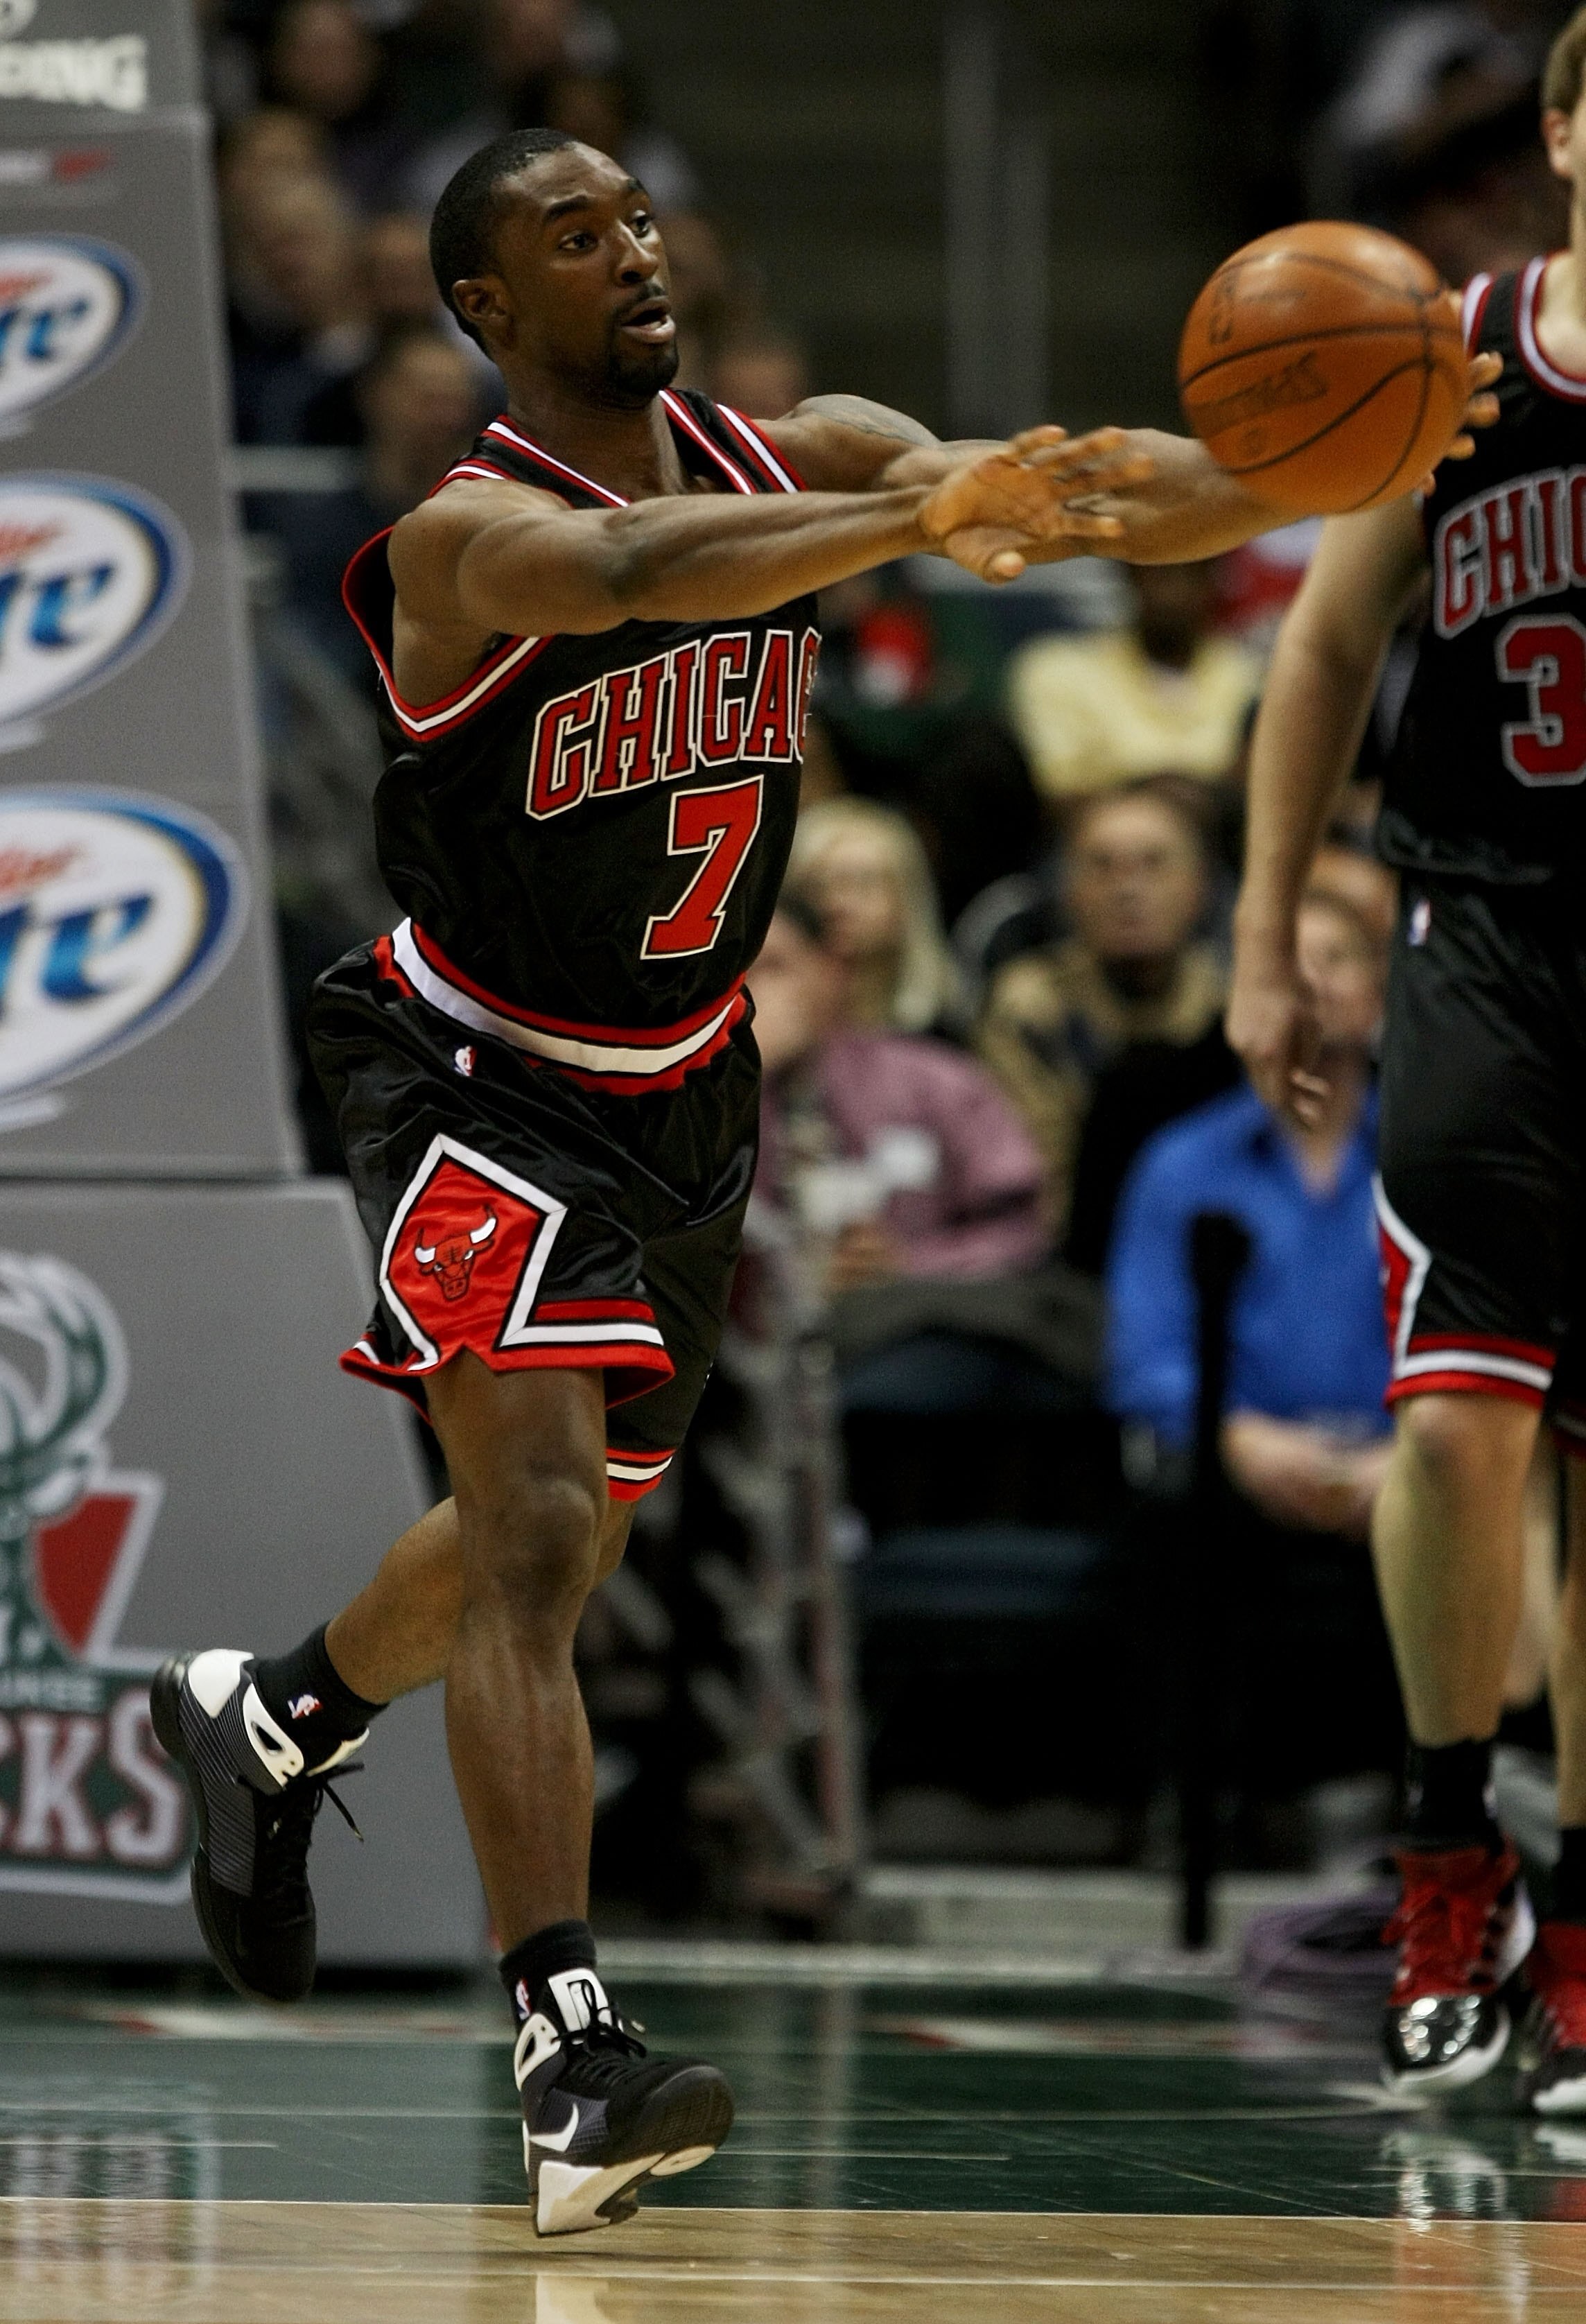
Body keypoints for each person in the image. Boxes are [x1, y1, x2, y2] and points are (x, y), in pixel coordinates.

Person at [148, 125, 1497, 2237]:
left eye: (637, 216)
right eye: (570, 236)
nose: (630, 250)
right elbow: (632, 579)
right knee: (521, 1529)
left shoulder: (814, 450)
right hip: (472, 1066)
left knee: (550, 1548)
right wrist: (904, 514)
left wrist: (1356, 447)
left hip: (686, 1085)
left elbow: (1108, 487)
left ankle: (277, 1711)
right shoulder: (461, 536)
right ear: (487, 308)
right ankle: (569, 2042)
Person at [1227, 6, 1586, 2112]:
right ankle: (1448, 1853)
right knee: (1459, 1433)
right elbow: (1325, 648)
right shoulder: (1443, 353)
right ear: (1556, 133)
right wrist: (1269, 936)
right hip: (1481, 933)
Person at [1108, 890, 1401, 1820]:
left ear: (1384, 991)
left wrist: (1411, 1453)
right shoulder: (1182, 1163)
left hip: (1411, 1461)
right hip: (1235, 1457)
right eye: (1287, 961)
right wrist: (1239, 1438)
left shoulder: (1435, 1162)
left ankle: (1432, 1816)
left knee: (1481, 1510)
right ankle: (1196, 1805)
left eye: (1337, 959)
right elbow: (1143, 1350)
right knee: (1171, 1517)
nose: (1311, 981)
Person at [979, 782, 1233, 1256]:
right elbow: (1035, 1179)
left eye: (1154, 864)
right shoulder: (1032, 1007)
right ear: (1069, 890)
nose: (1127, 889)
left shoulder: (1233, 1007)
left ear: (1199, 887)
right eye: (1101, 866)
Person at [751, 899, 1047, 1294]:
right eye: (732, 974)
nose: (749, 991)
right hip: (758, 1343)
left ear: (831, 969)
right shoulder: (698, 1109)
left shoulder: (933, 1082)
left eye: (772, 968)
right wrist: (746, 1085)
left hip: (919, 1327)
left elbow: (1023, 1231)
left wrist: (911, 1266)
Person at [1006, 557, 1264, 806]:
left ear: (1215, 575)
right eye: (1158, 569)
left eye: (1193, 568)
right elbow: (1058, 793)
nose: (1174, 588)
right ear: (1127, 571)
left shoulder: (1251, 675)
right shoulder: (1058, 670)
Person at [787, 796, 965, 1036]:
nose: (836, 904)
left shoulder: (947, 1027)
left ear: (906, 899)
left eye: (862, 883)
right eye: (816, 886)